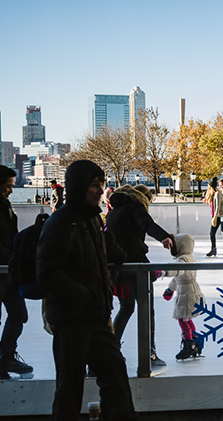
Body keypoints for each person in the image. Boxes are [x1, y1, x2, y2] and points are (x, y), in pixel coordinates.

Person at [36, 160, 138, 421]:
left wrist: (110, 241)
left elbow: (114, 255)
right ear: (78, 186)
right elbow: (48, 273)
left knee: (115, 376)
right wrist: (86, 295)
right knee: (70, 387)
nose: (99, 191)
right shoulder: (60, 224)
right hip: (72, 320)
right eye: (94, 185)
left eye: (100, 185)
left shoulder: (92, 220)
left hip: (97, 317)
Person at [106, 184, 173, 367]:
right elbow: (147, 224)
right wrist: (164, 237)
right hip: (137, 267)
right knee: (147, 309)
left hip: (119, 267)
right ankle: (149, 352)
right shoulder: (136, 207)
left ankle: (112, 350)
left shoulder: (114, 210)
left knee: (126, 308)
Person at [0, 166, 31, 379]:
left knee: (19, 313)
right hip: (4, 269)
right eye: (8, 186)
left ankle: (5, 356)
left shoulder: (5, 206)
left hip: (7, 271)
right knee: (17, 313)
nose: (11, 190)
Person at [162, 233, 204, 360]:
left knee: (182, 319)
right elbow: (178, 279)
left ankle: (189, 344)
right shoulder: (189, 257)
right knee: (187, 319)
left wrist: (164, 272)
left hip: (186, 294)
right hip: (190, 290)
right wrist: (170, 289)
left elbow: (177, 271)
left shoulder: (182, 260)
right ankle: (196, 342)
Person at [204, 177, 223, 258]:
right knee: (212, 233)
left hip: (222, 216)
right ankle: (213, 249)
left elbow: (218, 207)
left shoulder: (217, 194)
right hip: (217, 216)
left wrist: (214, 217)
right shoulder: (213, 195)